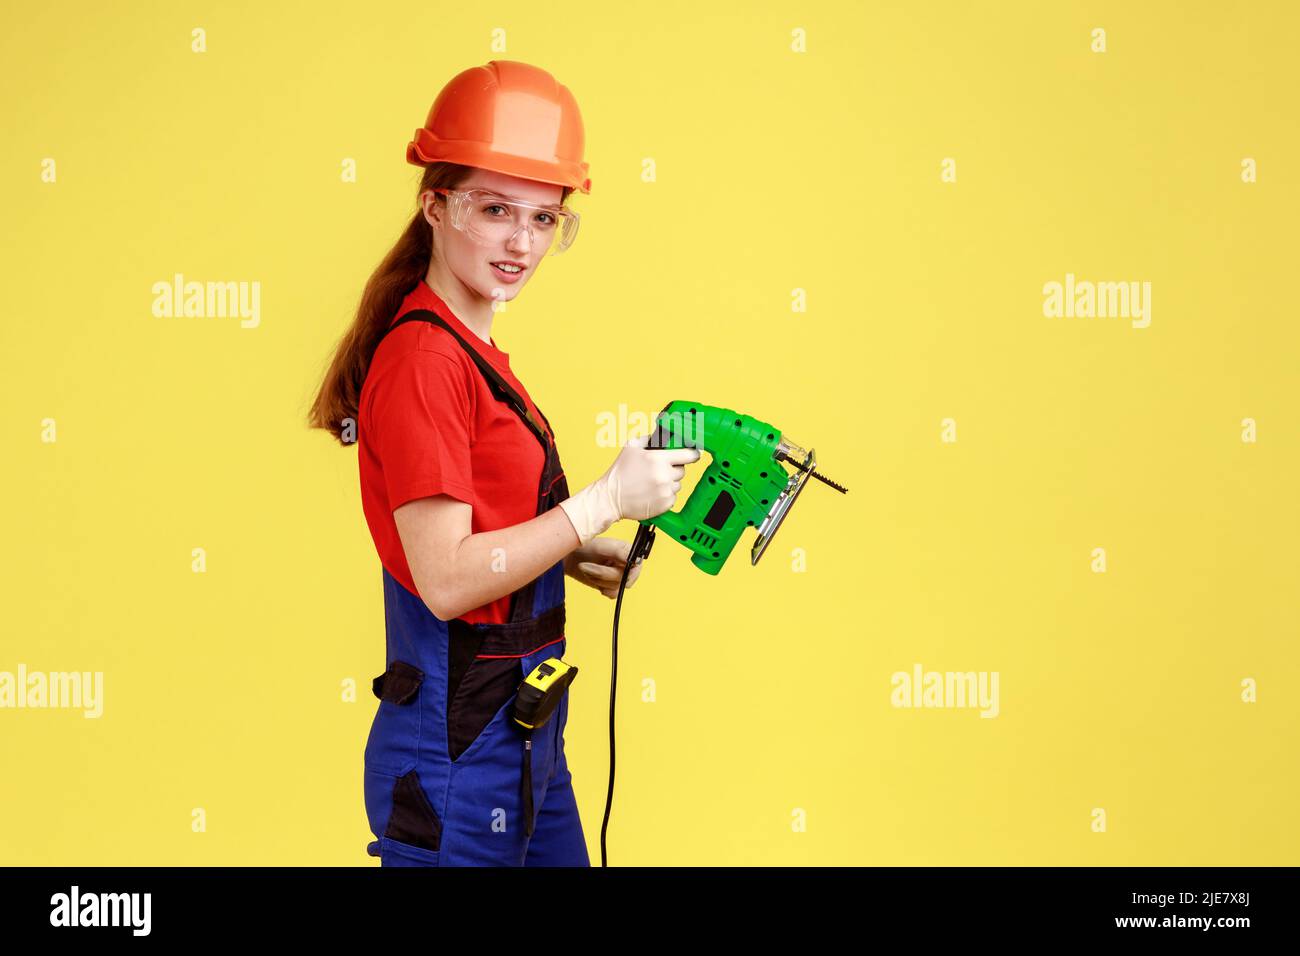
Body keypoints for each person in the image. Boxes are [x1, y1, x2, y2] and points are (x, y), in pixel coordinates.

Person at [307, 59, 700, 866]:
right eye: (494, 210)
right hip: (457, 746)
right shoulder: (424, 360)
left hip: (524, 728)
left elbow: (480, 527)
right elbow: (446, 580)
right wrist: (600, 503)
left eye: (544, 219)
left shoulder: (471, 351)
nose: (522, 243)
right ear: (436, 206)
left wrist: (574, 551)